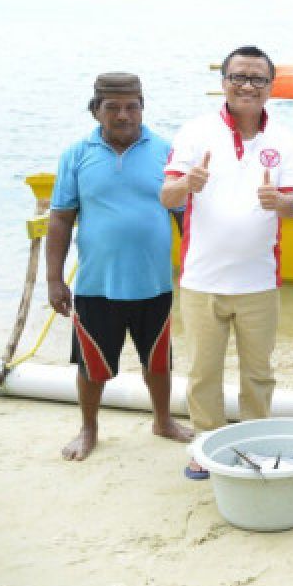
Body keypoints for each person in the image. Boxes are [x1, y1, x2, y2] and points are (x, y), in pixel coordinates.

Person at [159, 45, 293, 480]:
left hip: (260, 279)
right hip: (202, 279)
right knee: (203, 372)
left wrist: (280, 201)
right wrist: (187, 184)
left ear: (270, 88)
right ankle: (205, 446)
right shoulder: (195, 131)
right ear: (223, 83)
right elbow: (166, 197)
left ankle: (256, 444)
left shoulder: (286, 138)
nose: (247, 85)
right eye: (238, 76)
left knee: (258, 375)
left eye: (258, 78)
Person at [46, 72, 193, 461]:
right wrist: (54, 280)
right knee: (91, 365)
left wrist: (195, 270)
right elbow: (60, 218)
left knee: (158, 361)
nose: (124, 115)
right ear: (96, 110)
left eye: (132, 106)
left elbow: (184, 217)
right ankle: (88, 429)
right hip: (97, 285)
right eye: (113, 107)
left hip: (155, 283)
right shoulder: (76, 155)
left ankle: (163, 420)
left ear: (143, 108)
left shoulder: (166, 151)